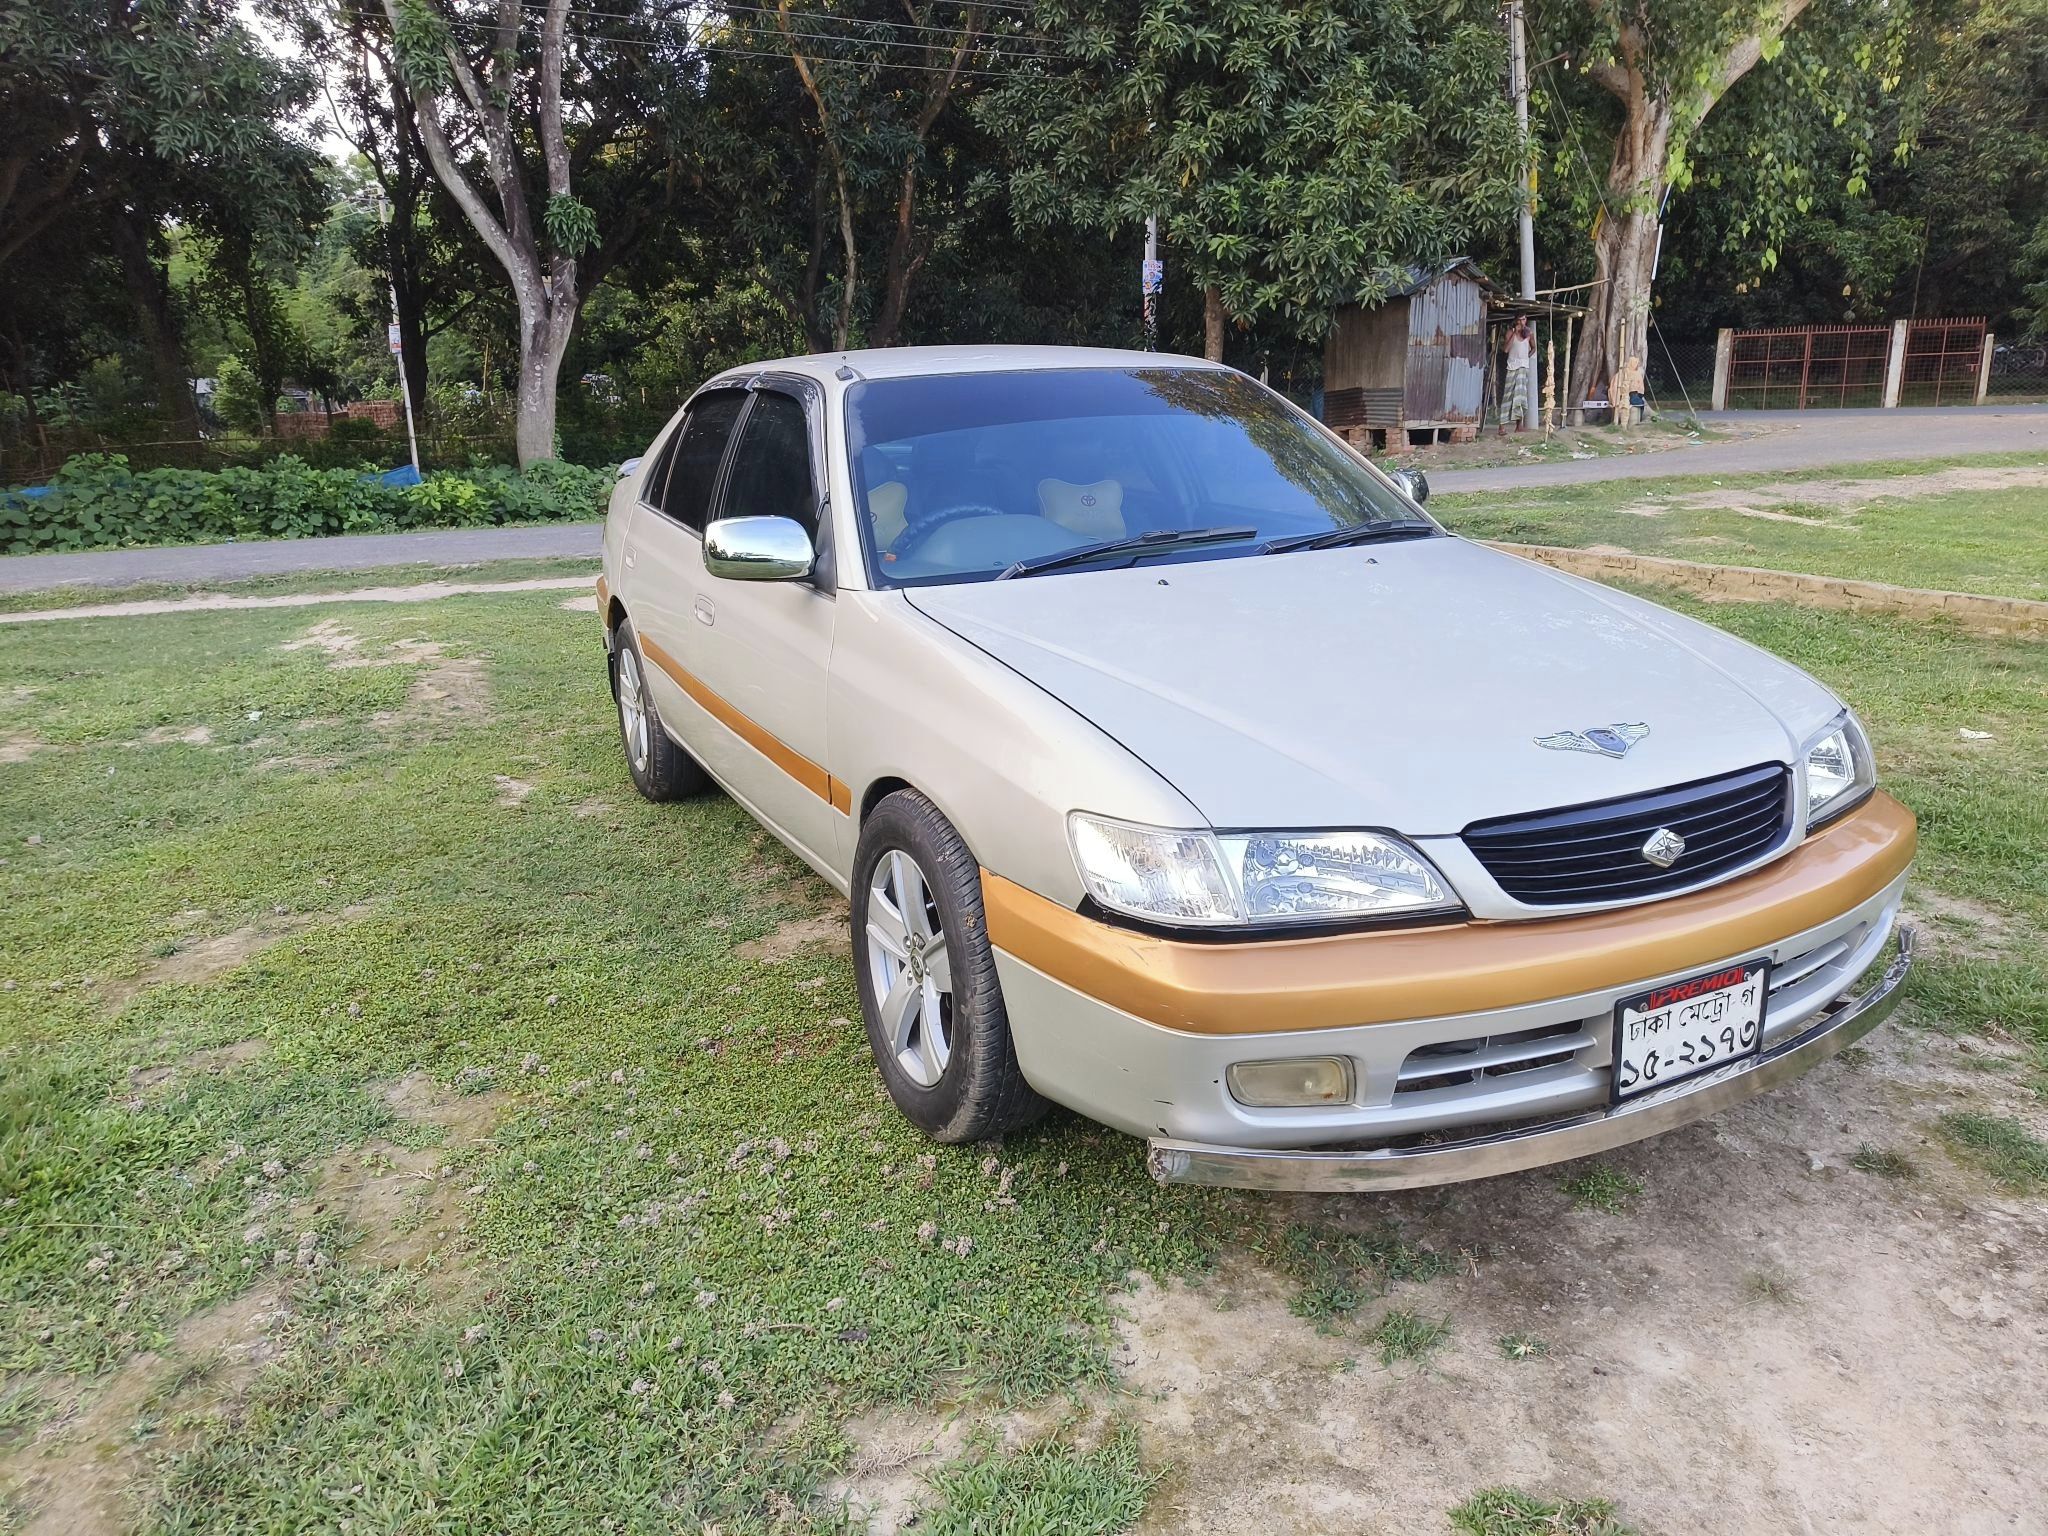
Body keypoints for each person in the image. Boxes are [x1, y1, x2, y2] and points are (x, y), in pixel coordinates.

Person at [1499, 316, 1534, 435]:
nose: (1521, 322)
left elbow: (1534, 348)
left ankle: (1519, 425)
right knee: (1508, 395)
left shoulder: (1529, 333)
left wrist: (1526, 357)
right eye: (1519, 320)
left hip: (1523, 367)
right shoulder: (1510, 332)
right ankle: (1502, 426)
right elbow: (1505, 350)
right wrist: (1514, 333)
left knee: (1520, 397)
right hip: (1512, 367)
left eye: (1523, 320)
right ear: (1515, 321)